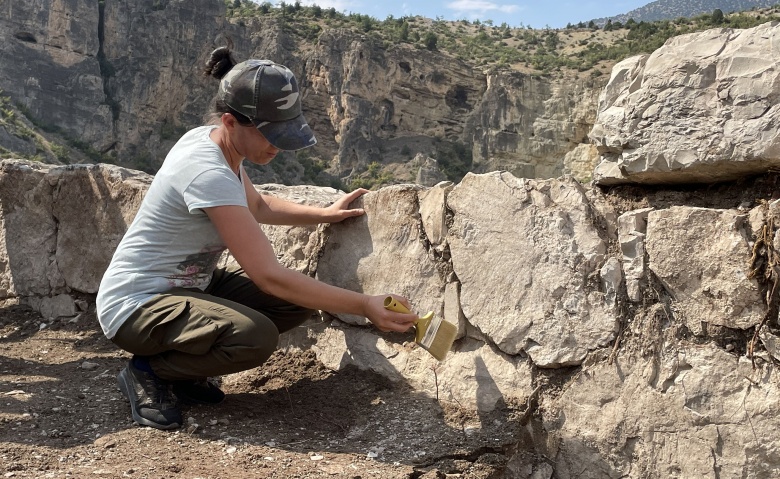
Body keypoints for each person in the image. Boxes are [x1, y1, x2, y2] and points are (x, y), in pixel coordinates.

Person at [96, 46, 417, 431]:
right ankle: (149, 370)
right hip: (137, 304)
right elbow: (268, 275)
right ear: (231, 121)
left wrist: (325, 214)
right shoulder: (205, 170)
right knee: (255, 337)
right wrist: (365, 305)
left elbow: (259, 207)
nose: (278, 147)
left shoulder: (214, 142)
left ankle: (184, 369)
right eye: (270, 136)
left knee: (294, 304)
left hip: (187, 285)